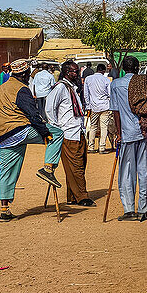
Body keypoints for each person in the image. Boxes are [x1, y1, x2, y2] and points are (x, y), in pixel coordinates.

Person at [0, 59, 60, 221]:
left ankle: (4, 209)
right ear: (24, 74)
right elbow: (33, 114)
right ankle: (48, 168)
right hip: (19, 131)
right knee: (56, 134)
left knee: (6, 171)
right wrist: (45, 133)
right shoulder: (21, 89)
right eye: (28, 73)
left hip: (3, 135)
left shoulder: (2, 88)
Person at [110, 56, 147, 221]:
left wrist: (118, 134)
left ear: (124, 69)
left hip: (126, 133)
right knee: (145, 170)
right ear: (138, 68)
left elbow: (116, 111)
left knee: (126, 171)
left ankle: (128, 210)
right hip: (144, 131)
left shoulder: (115, 84)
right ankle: (144, 208)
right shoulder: (145, 82)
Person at [45, 60, 94, 206]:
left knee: (78, 166)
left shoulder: (73, 88)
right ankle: (82, 196)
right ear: (66, 72)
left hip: (78, 131)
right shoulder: (60, 87)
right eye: (73, 71)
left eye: (77, 71)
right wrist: (56, 128)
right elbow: (49, 109)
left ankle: (73, 196)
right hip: (67, 133)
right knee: (76, 167)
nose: (76, 73)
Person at [85, 63, 115, 152]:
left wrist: (88, 106)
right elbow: (110, 93)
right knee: (104, 127)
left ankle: (91, 147)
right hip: (105, 106)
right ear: (103, 71)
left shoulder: (88, 79)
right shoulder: (106, 80)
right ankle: (102, 147)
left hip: (93, 106)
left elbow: (86, 94)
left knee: (93, 126)